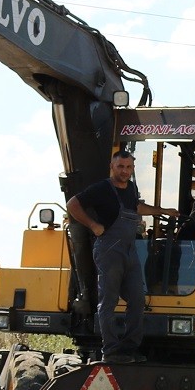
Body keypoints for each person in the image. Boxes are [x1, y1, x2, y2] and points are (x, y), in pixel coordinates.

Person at [66, 149, 146, 364]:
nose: (125, 171)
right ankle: (111, 350)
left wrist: (165, 210)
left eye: (129, 167)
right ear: (112, 167)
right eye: (121, 167)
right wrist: (93, 225)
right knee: (108, 301)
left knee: (137, 299)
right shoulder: (103, 188)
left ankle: (129, 348)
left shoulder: (131, 189)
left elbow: (138, 207)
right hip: (109, 250)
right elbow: (72, 204)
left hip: (130, 251)